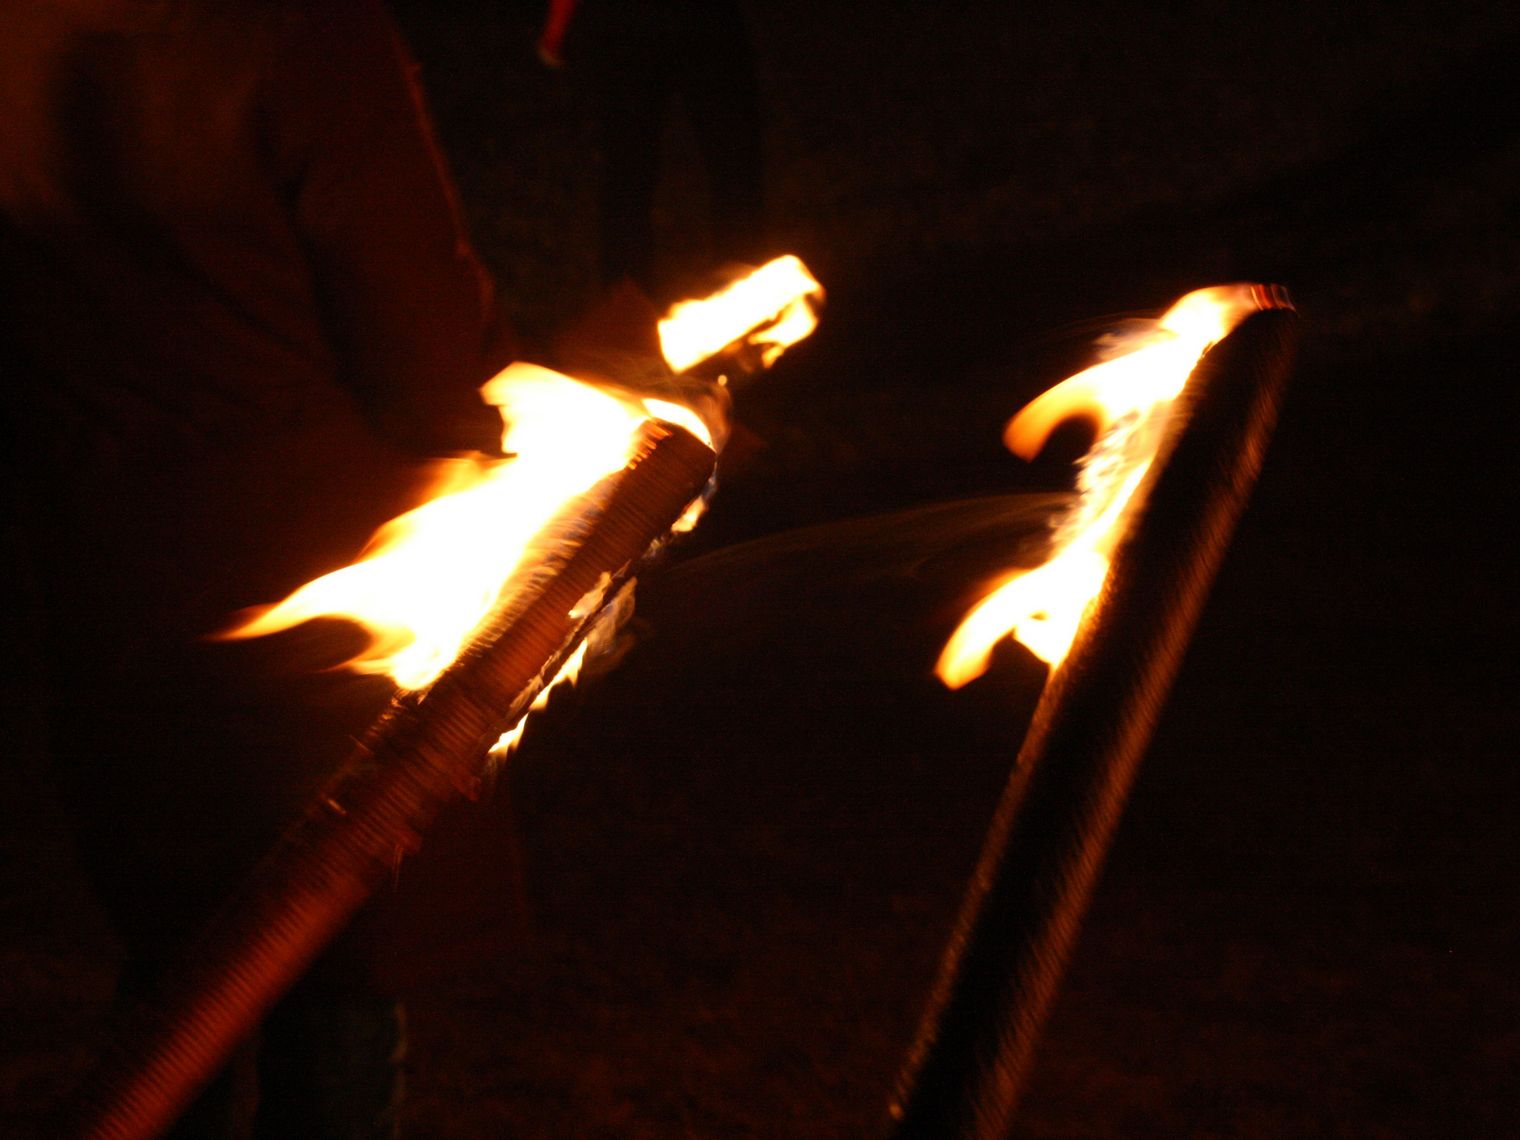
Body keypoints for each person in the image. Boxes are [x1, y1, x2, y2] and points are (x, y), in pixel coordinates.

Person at [0, 0, 513, 1133]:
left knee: (182, 962)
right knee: (326, 964)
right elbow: (413, 316)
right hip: (316, 559)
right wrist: (476, 427)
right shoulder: (293, 30)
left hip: (111, 569)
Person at [538, 0, 769, 295]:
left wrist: (557, 28)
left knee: (629, 174)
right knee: (731, 165)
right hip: (682, 20)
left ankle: (626, 309)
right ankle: (630, 309)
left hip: (642, 24)